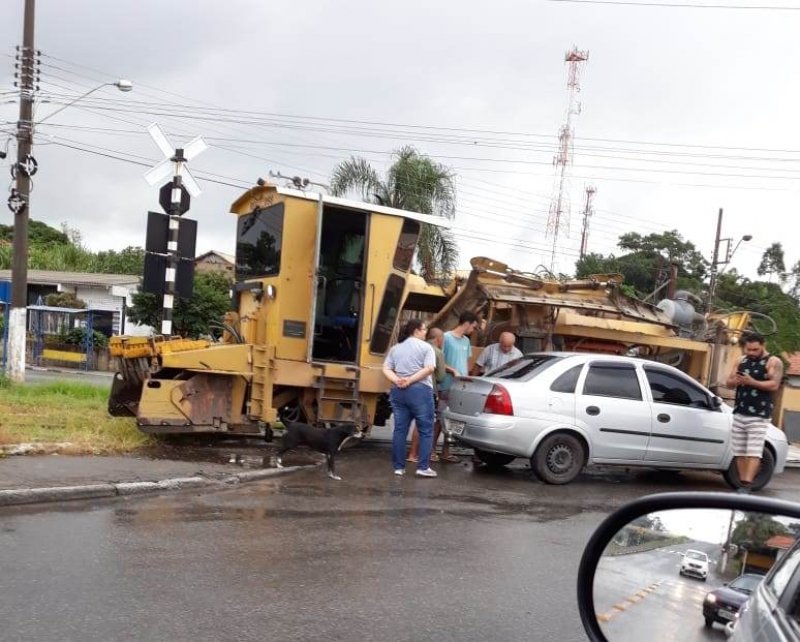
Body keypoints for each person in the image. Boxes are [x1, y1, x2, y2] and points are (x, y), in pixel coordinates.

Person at [725, 332, 784, 493]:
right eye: (748, 349)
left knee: (753, 450)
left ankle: (747, 484)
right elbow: (728, 383)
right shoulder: (741, 360)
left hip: (759, 414)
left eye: (755, 350)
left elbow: (774, 385)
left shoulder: (772, 362)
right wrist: (735, 381)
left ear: (763, 345)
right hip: (740, 411)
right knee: (739, 450)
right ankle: (742, 483)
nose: (751, 353)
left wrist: (752, 382)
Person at [382, 319, 437, 478]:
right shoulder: (427, 348)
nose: (426, 332)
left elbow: (386, 368)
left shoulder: (395, 348)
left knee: (400, 429)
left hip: (398, 391)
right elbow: (429, 369)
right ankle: (423, 467)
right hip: (420, 391)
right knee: (426, 429)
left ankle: (398, 467)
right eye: (424, 329)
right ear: (417, 330)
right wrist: (410, 380)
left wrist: (398, 380)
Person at [407, 327, 460, 464]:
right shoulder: (437, 352)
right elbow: (441, 377)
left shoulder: (417, 348)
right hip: (427, 390)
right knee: (424, 423)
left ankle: (412, 453)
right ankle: (415, 454)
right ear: (439, 339)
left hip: (411, 387)